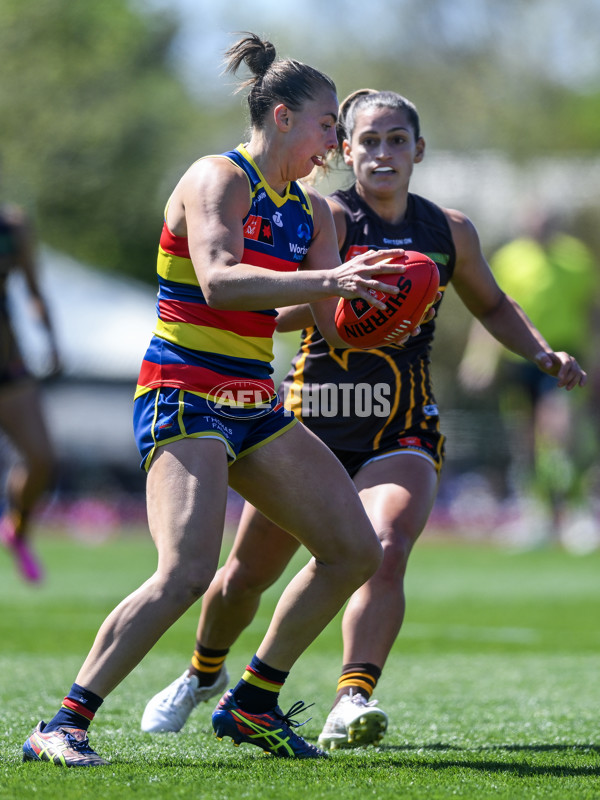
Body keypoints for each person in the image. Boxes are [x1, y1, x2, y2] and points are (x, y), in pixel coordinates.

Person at [140, 88, 587, 750]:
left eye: (397, 139)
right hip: (310, 421)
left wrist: (541, 351)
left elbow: (493, 305)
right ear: (345, 151)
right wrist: (339, 292)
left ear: (419, 150)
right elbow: (270, 307)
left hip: (399, 425)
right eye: (368, 141)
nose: (383, 152)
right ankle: (204, 672)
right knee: (245, 576)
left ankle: (349, 697)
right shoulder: (323, 217)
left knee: (386, 546)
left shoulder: (450, 230)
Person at [21, 35, 421, 768]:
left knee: (354, 549)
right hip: (184, 392)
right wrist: (327, 284)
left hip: (253, 401)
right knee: (186, 572)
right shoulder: (218, 178)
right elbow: (221, 281)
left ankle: (253, 702)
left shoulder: (312, 214)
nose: (336, 139)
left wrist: (384, 300)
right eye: (328, 123)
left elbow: (327, 324)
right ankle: (63, 723)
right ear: (279, 117)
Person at [459, 211, 598, 542]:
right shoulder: (508, 259)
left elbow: (590, 313)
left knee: (561, 428)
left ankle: (576, 510)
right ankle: (537, 514)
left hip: (563, 355)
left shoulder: (576, 259)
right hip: (519, 357)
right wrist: (478, 357)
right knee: (526, 438)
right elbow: (489, 309)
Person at [0, 199, 60, 583]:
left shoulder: (12, 227)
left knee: (42, 459)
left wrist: (52, 342)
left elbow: (34, 289)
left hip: (9, 364)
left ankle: (16, 531)